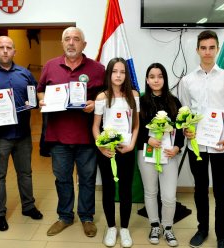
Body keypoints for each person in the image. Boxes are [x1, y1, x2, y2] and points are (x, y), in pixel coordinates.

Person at [37, 26, 105, 237]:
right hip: (58, 137)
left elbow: (107, 93)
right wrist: (43, 101)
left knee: (87, 178)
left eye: (76, 39)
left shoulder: (98, 68)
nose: (71, 43)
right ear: (62, 43)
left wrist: (96, 102)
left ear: (84, 44)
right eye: (67, 39)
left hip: (87, 136)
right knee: (63, 178)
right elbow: (40, 91)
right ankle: (65, 216)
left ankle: (86, 217)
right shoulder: (50, 66)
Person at [178, 30, 224, 248]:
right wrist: (186, 130)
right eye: (203, 48)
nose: (207, 52)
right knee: (200, 189)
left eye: (211, 47)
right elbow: (184, 111)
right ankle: (202, 229)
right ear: (197, 50)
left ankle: (221, 234)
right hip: (197, 146)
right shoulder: (187, 80)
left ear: (217, 49)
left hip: (221, 145)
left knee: (222, 192)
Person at [0, 36, 43, 232]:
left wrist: (34, 103)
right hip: (0, 136)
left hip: (23, 134)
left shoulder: (24, 73)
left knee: (25, 173)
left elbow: (34, 98)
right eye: (1, 47)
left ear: (14, 51)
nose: (5, 51)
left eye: (9, 47)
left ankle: (28, 206)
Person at [92, 57, 139, 248]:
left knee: (126, 189)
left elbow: (136, 126)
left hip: (127, 149)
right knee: (109, 190)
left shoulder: (133, 95)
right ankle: (111, 227)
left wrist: (131, 145)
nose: (118, 75)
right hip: (107, 152)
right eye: (115, 71)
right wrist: (101, 147)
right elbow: (95, 127)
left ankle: (125, 228)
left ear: (126, 75)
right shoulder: (102, 97)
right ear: (109, 73)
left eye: (122, 72)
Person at [137, 63, 184, 247]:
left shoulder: (175, 101)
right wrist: (146, 139)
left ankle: (168, 227)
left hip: (169, 154)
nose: (156, 80)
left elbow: (180, 129)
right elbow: (134, 129)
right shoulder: (140, 102)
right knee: (150, 192)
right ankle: (155, 225)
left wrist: (178, 147)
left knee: (169, 196)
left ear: (164, 79)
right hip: (146, 153)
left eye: (160, 76)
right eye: (152, 76)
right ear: (147, 80)